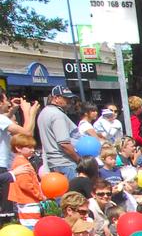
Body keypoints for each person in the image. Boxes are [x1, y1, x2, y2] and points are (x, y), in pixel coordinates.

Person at [0, 94, 38, 223]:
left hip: (4, 168)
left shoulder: (3, 118)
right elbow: (26, 135)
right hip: (3, 169)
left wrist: (13, 110)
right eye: (6, 100)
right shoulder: (0, 119)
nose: (9, 103)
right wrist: (29, 113)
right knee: (6, 213)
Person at [36, 85, 82, 177]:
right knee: (73, 191)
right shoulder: (57, 115)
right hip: (65, 162)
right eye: (66, 98)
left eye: (70, 99)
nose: (70, 102)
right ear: (56, 98)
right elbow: (64, 143)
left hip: (53, 163)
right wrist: (79, 160)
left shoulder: (44, 112)